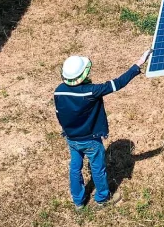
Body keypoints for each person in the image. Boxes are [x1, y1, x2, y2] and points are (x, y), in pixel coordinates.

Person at [54, 49, 151, 209]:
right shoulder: (92, 91)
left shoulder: (59, 90)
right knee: (97, 168)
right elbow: (118, 83)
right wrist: (138, 64)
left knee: (75, 168)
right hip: (91, 140)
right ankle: (102, 198)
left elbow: (60, 114)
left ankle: (78, 201)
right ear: (84, 74)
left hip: (72, 138)